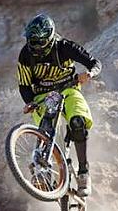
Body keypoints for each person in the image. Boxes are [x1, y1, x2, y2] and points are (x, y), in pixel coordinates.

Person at [17, 14, 101, 197]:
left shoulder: (64, 47)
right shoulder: (25, 55)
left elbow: (94, 62)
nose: (35, 46)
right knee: (45, 128)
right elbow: (24, 85)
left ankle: (84, 173)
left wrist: (89, 74)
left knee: (78, 122)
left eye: (39, 42)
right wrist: (30, 102)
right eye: (32, 41)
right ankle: (43, 170)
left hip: (69, 90)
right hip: (44, 95)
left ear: (49, 38)